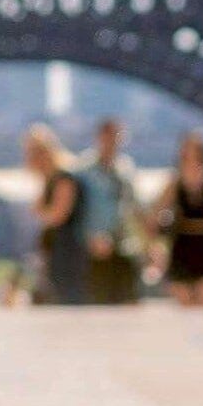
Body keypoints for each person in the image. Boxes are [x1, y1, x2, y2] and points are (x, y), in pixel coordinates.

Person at [155, 130, 203, 305]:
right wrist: (157, 249)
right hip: (181, 248)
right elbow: (155, 217)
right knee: (185, 310)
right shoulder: (174, 185)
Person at [79, 117, 144, 306]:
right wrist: (89, 236)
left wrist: (149, 242)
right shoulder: (84, 169)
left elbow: (134, 205)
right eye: (108, 136)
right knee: (99, 302)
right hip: (94, 247)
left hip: (123, 243)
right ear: (99, 137)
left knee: (129, 300)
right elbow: (77, 209)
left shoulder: (125, 167)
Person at [25, 124, 88, 305]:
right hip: (56, 251)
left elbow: (58, 215)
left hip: (69, 252)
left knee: (69, 300)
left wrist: (41, 211)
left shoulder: (64, 178)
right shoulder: (49, 179)